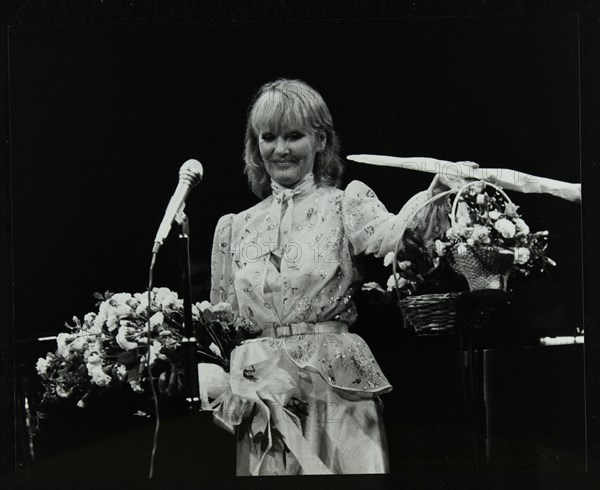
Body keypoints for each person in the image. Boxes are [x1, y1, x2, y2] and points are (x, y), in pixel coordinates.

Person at [207, 79, 455, 476]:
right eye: (268, 137)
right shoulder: (235, 227)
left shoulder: (344, 204)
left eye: (294, 136)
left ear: (320, 140)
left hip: (335, 389)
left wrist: (437, 194)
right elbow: (221, 324)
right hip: (262, 397)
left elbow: (398, 238)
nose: (280, 149)